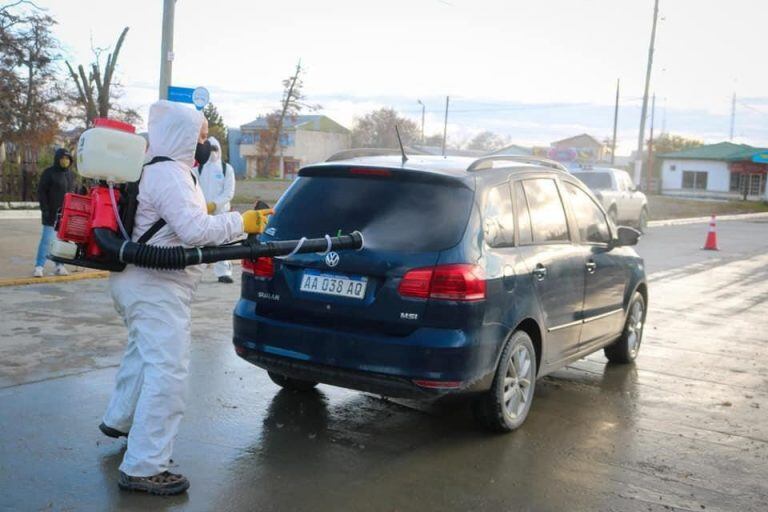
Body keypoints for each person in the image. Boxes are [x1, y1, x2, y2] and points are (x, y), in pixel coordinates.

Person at [99, 100, 270, 496]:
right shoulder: (172, 174)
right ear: (180, 137)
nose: (204, 145)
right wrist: (239, 222)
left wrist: (215, 213)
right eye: (199, 137)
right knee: (169, 374)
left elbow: (180, 220)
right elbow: (194, 231)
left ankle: (120, 420)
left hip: (138, 282)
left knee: (143, 356)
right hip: (155, 288)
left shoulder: (155, 169)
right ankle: (145, 466)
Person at [195, 136, 237, 283]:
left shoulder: (227, 169)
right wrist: (202, 206)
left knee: (222, 243)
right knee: (197, 242)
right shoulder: (197, 169)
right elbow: (193, 189)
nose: (212, 152)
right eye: (209, 149)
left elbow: (228, 193)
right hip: (201, 212)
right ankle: (193, 273)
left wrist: (214, 205)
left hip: (221, 212)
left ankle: (223, 273)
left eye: (215, 149)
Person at [34, 148, 75, 277]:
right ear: (57, 159)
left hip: (65, 215)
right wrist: (44, 209)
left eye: (68, 159)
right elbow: (41, 192)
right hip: (50, 213)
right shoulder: (49, 173)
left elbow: (72, 193)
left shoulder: (70, 175)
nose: (65, 161)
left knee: (62, 241)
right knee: (47, 240)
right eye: (63, 158)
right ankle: (39, 266)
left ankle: (59, 265)